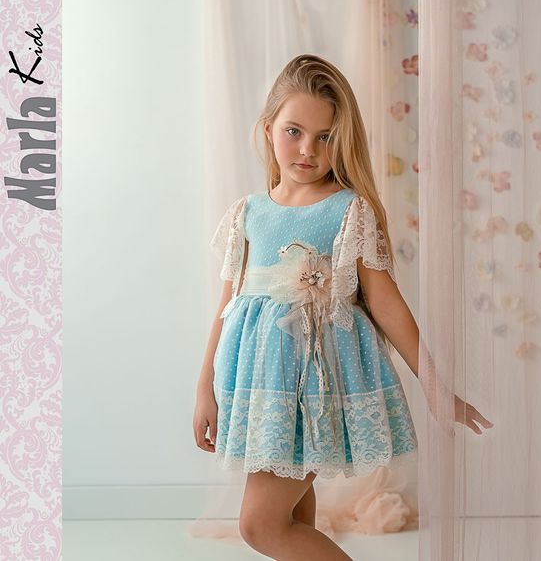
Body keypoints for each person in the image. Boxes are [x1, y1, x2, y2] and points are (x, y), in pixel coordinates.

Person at [193, 54, 494, 560]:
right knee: (291, 521)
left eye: (326, 137)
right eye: (294, 131)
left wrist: (436, 387)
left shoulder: (347, 209)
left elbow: (386, 304)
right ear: (268, 129)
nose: (308, 149)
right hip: (263, 391)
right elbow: (228, 306)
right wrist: (204, 389)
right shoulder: (247, 213)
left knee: (261, 526)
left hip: (316, 387)